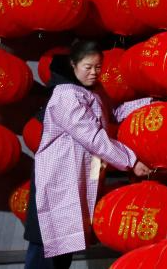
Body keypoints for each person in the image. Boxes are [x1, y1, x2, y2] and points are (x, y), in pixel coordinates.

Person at [23, 39, 153, 269]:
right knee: (47, 243)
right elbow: (92, 137)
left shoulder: (92, 90)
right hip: (59, 176)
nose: (94, 73)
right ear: (73, 65)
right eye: (88, 67)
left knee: (65, 243)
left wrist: (150, 103)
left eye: (98, 67)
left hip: (79, 175)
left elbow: (113, 112)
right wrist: (130, 161)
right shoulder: (66, 95)